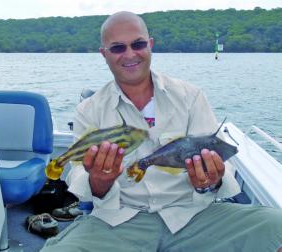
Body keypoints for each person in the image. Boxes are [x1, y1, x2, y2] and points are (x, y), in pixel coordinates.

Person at [41, 11, 282, 252]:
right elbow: (80, 177)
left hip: (193, 215)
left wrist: (210, 181)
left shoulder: (190, 96)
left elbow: (219, 163)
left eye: (138, 44)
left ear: (150, 45)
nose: (129, 54)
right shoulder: (89, 110)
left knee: (276, 227)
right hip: (119, 220)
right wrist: (99, 181)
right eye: (117, 48)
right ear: (104, 54)